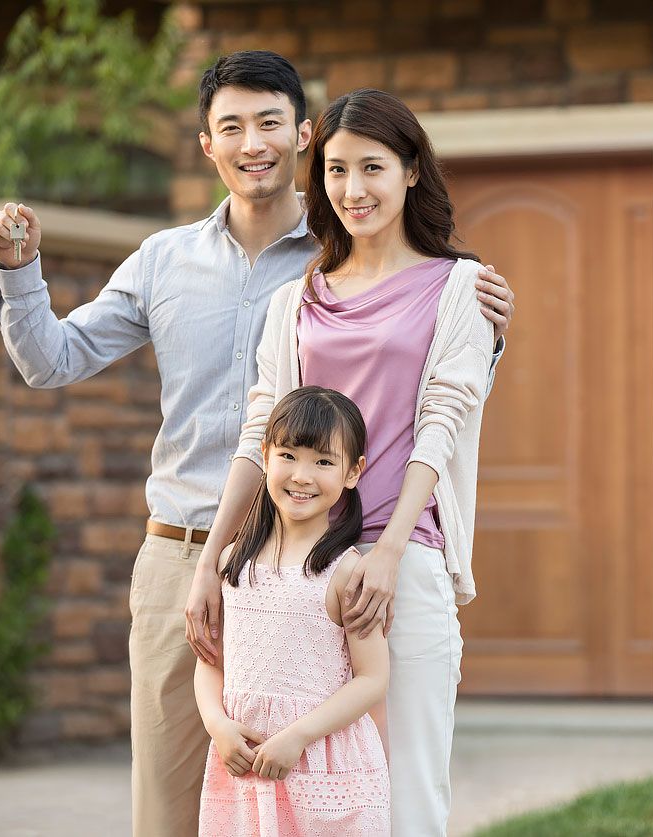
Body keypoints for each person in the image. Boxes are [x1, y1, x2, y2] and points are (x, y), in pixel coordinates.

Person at [0, 51, 514, 837]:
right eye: (230, 125)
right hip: (196, 559)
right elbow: (54, 360)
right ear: (206, 144)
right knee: (179, 807)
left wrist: (486, 334)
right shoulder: (190, 265)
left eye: (270, 122)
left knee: (347, 798)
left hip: (329, 560)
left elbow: (439, 391)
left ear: (300, 137)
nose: (252, 141)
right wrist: (19, 272)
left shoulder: (353, 260)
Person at [196, 87, 493, 835]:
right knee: (303, 799)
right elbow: (260, 428)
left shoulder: (458, 285)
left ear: (411, 171)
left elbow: (443, 418)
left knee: (410, 793)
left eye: (372, 167)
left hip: (403, 561)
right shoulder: (297, 298)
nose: (352, 190)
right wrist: (210, 559)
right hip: (295, 566)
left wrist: (388, 550)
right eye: (334, 169)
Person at [195, 386, 390, 836]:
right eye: (288, 455)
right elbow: (209, 664)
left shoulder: (347, 573)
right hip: (245, 767)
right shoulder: (232, 564)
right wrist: (218, 725)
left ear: (353, 472)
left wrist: (299, 736)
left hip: (325, 768)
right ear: (264, 456)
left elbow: (372, 679)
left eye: (324, 462)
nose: (302, 475)